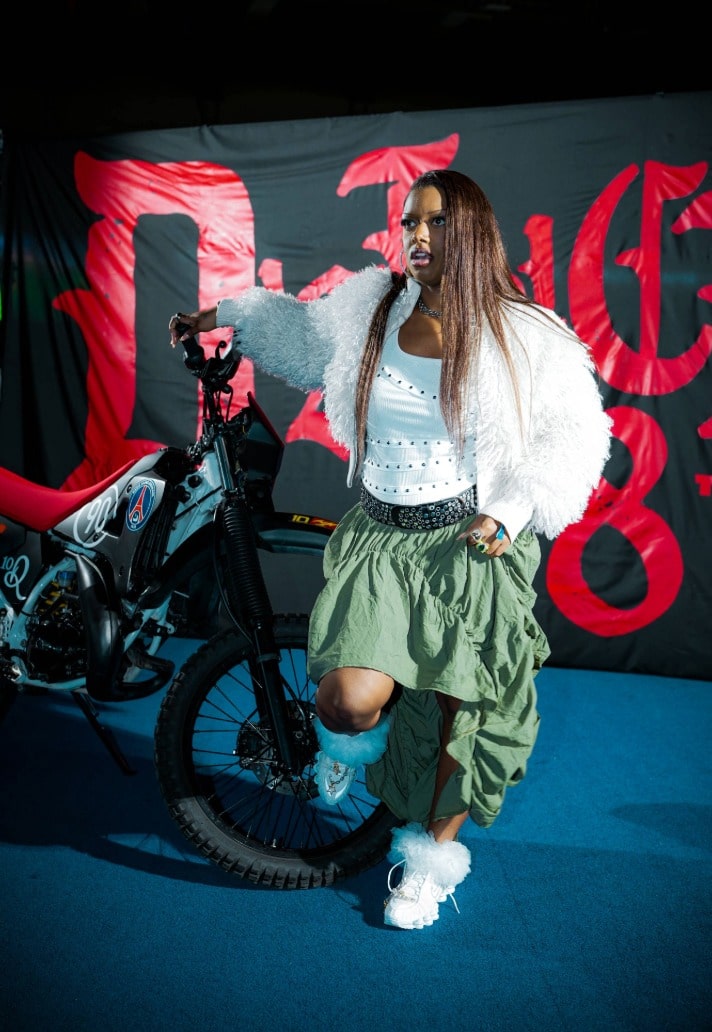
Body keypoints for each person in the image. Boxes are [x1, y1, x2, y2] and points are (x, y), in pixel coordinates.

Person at [168, 169, 612, 931]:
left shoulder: (525, 333)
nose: (418, 236)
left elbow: (572, 435)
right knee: (345, 701)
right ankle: (351, 750)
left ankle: (427, 866)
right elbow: (299, 331)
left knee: (460, 718)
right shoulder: (373, 305)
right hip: (380, 542)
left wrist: (509, 514)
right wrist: (221, 313)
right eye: (410, 222)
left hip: (468, 552)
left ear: (470, 232)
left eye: (435, 222)